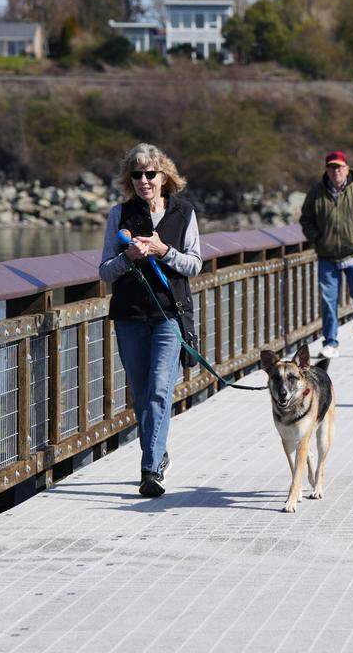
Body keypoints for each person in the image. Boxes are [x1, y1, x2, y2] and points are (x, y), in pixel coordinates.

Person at [99, 143, 201, 497]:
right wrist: (128, 256)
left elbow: (194, 264)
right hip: (129, 316)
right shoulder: (120, 214)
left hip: (169, 315)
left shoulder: (184, 213)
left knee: (159, 390)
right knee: (142, 397)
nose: (144, 180)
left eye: (150, 174)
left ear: (164, 176)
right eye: (136, 174)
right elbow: (105, 272)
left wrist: (163, 251)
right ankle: (160, 454)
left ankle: (150, 470)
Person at [300, 150, 353, 359]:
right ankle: (331, 342)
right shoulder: (316, 192)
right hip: (327, 255)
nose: (336, 171)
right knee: (328, 301)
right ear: (326, 170)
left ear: (346, 168)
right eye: (331, 167)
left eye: (339, 167)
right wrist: (315, 237)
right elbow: (305, 219)